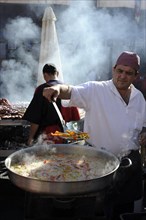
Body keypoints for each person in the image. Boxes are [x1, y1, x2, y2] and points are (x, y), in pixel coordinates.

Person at [43, 51, 146, 219]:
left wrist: (144, 133)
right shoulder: (96, 90)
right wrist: (57, 88)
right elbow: (70, 90)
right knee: (97, 211)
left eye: (128, 73)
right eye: (120, 71)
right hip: (100, 164)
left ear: (136, 75)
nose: (122, 76)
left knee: (124, 210)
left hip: (129, 164)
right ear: (114, 69)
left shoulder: (139, 98)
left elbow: (142, 125)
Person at [23, 63, 80, 146]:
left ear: (45, 75)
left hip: (48, 137)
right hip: (66, 137)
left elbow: (35, 118)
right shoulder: (68, 90)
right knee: (64, 158)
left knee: (48, 158)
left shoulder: (42, 90)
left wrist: (30, 139)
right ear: (57, 73)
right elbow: (75, 118)